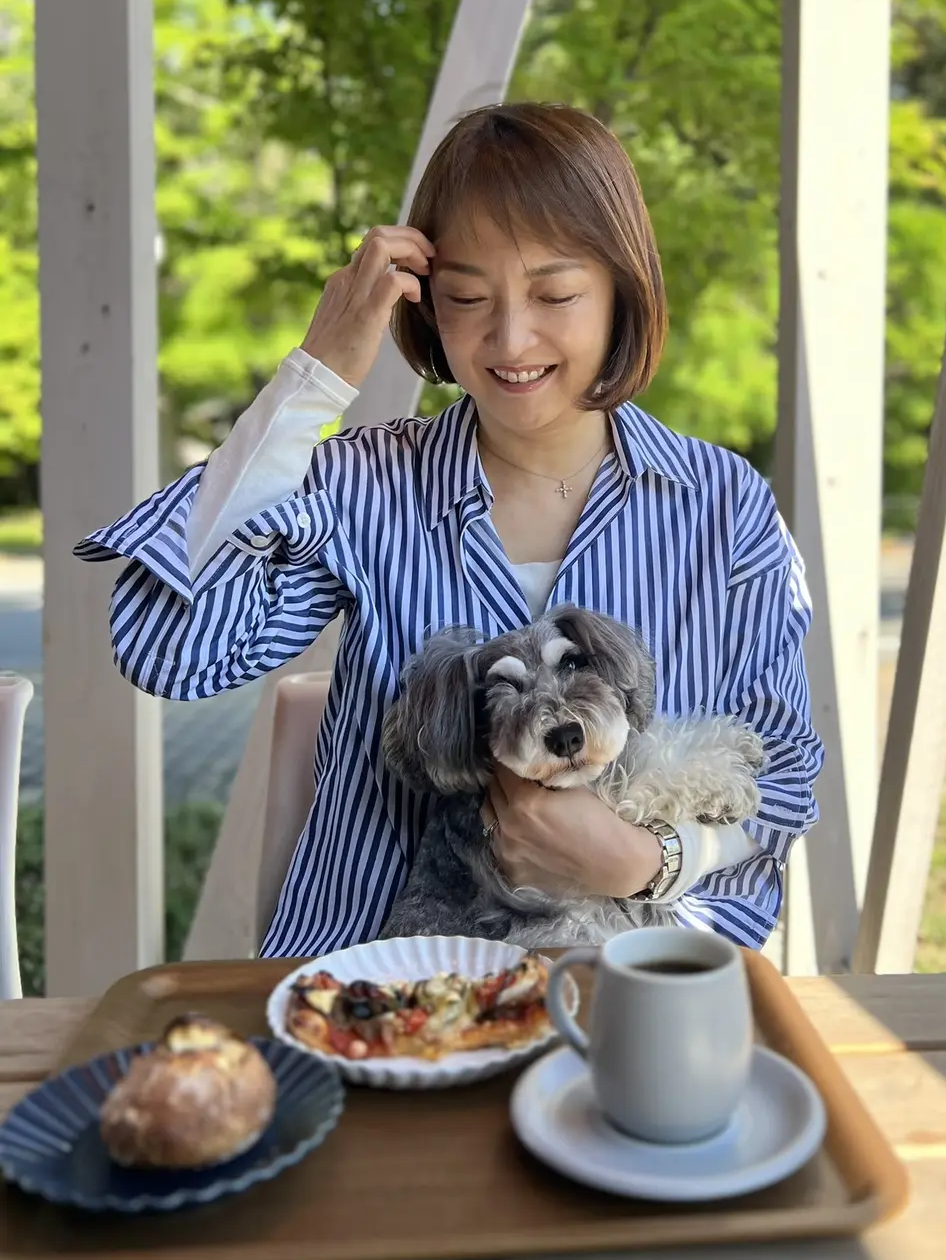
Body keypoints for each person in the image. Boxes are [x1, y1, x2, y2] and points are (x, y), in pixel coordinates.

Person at [76, 103, 822, 956]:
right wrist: (313, 380)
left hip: (632, 994)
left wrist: (650, 862)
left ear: (622, 289)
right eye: (467, 296)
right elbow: (171, 652)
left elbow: (787, 774)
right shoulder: (364, 486)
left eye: (555, 293)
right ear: (429, 304)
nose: (510, 339)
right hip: (374, 988)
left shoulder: (722, 503)